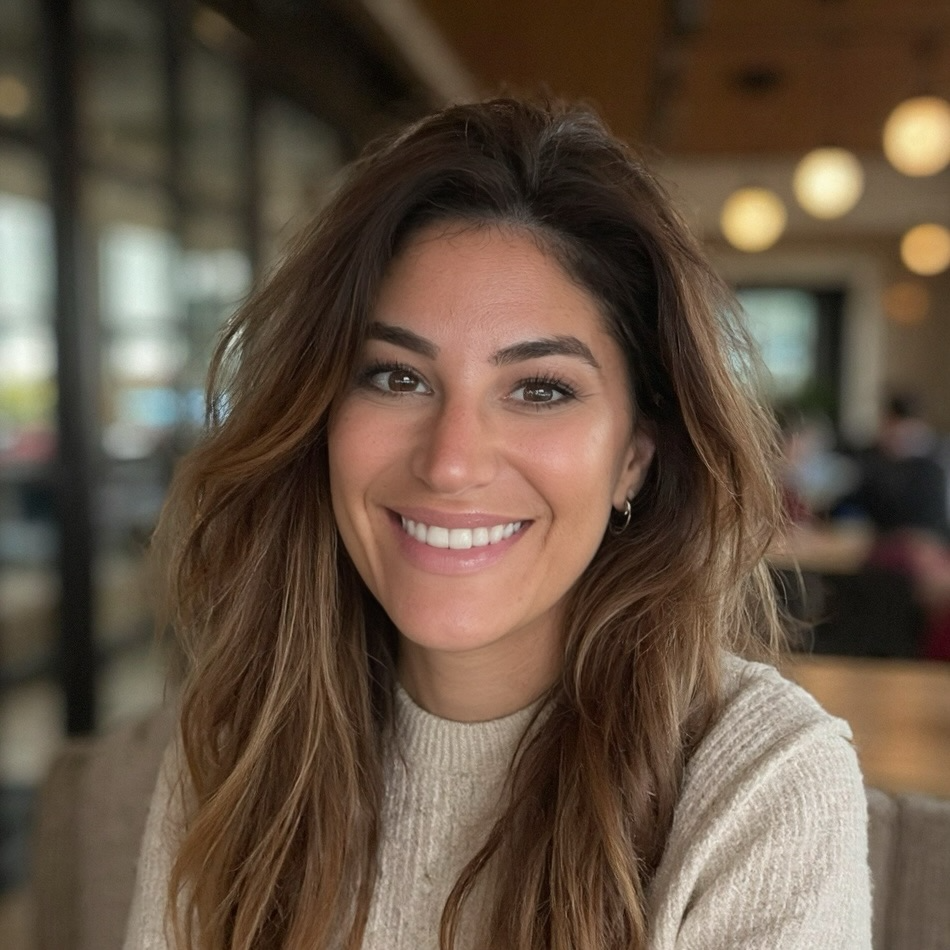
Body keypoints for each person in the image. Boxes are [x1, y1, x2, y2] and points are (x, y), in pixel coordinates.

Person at [124, 97, 871, 950]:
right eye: (397, 377)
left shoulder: (760, 783)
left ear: (635, 455)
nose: (451, 462)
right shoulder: (240, 743)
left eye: (540, 389)